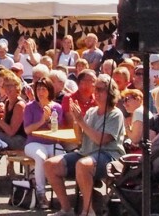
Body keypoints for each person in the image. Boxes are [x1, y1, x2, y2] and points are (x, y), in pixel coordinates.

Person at [43, 73, 123, 216]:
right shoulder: (92, 112)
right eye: (95, 89)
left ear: (110, 92)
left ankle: (88, 211)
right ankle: (67, 209)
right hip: (85, 152)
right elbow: (79, 139)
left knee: (83, 165)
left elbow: (101, 140)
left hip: (108, 156)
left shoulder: (115, 114)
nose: (96, 92)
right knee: (50, 164)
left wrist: (81, 121)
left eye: (101, 89)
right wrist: (76, 120)